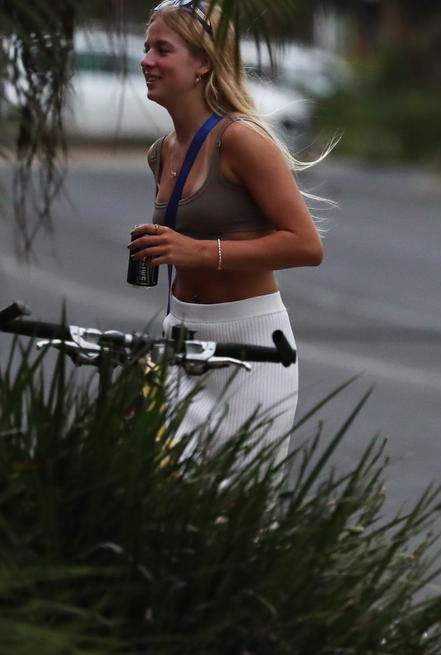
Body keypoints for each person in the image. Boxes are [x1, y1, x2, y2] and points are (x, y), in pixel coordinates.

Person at [129, 0, 324, 458]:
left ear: (202, 64)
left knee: (241, 512)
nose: (146, 61)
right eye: (146, 48)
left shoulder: (241, 140)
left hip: (252, 346)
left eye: (162, 50)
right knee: (160, 495)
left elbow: (306, 245)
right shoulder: (162, 152)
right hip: (180, 336)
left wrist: (199, 253)